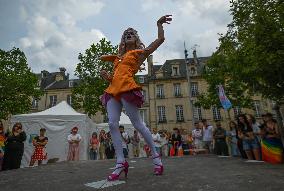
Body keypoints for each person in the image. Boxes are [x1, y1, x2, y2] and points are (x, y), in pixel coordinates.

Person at [100, 15, 172, 180]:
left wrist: (159, 24)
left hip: (127, 88)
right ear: (123, 40)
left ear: (136, 38)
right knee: (112, 123)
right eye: (126, 34)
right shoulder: (118, 58)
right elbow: (115, 77)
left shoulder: (139, 53)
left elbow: (160, 40)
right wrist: (107, 77)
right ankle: (120, 162)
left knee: (137, 124)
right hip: (113, 90)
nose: (128, 34)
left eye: (131, 33)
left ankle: (156, 157)